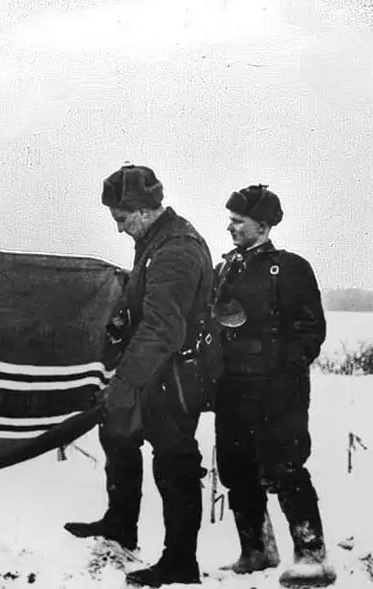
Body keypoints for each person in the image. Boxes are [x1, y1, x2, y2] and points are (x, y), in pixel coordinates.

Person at [65, 164, 218, 587]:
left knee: (174, 460)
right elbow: (149, 305)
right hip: (156, 367)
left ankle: (180, 562)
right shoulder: (155, 241)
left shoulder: (176, 249)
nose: (118, 228)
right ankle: (120, 524)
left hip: (176, 374)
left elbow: (163, 328)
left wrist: (125, 383)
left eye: (121, 218)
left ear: (143, 210)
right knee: (118, 435)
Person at [212, 185, 337, 588]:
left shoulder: (290, 268)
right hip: (233, 386)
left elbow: (309, 330)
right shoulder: (226, 269)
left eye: (238, 221)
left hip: (277, 389)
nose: (230, 227)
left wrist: (286, 377)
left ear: (263, 227)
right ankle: (256, 551)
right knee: (236, 468)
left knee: (286, 467)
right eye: (230, 220)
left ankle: (312, 556)